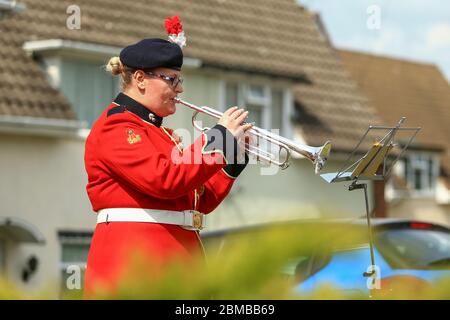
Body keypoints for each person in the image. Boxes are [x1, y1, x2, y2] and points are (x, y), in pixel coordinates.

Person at [83, 38, 253, 297]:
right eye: (171, 79)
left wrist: (233, 159)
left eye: (179, 80)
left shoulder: (160, 133)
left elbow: (198, 200)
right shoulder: (117, 127)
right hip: (135, 262)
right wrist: (218, 138)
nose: (180, 89)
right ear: (140, 79)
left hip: (175, 264)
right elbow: (165, 180)